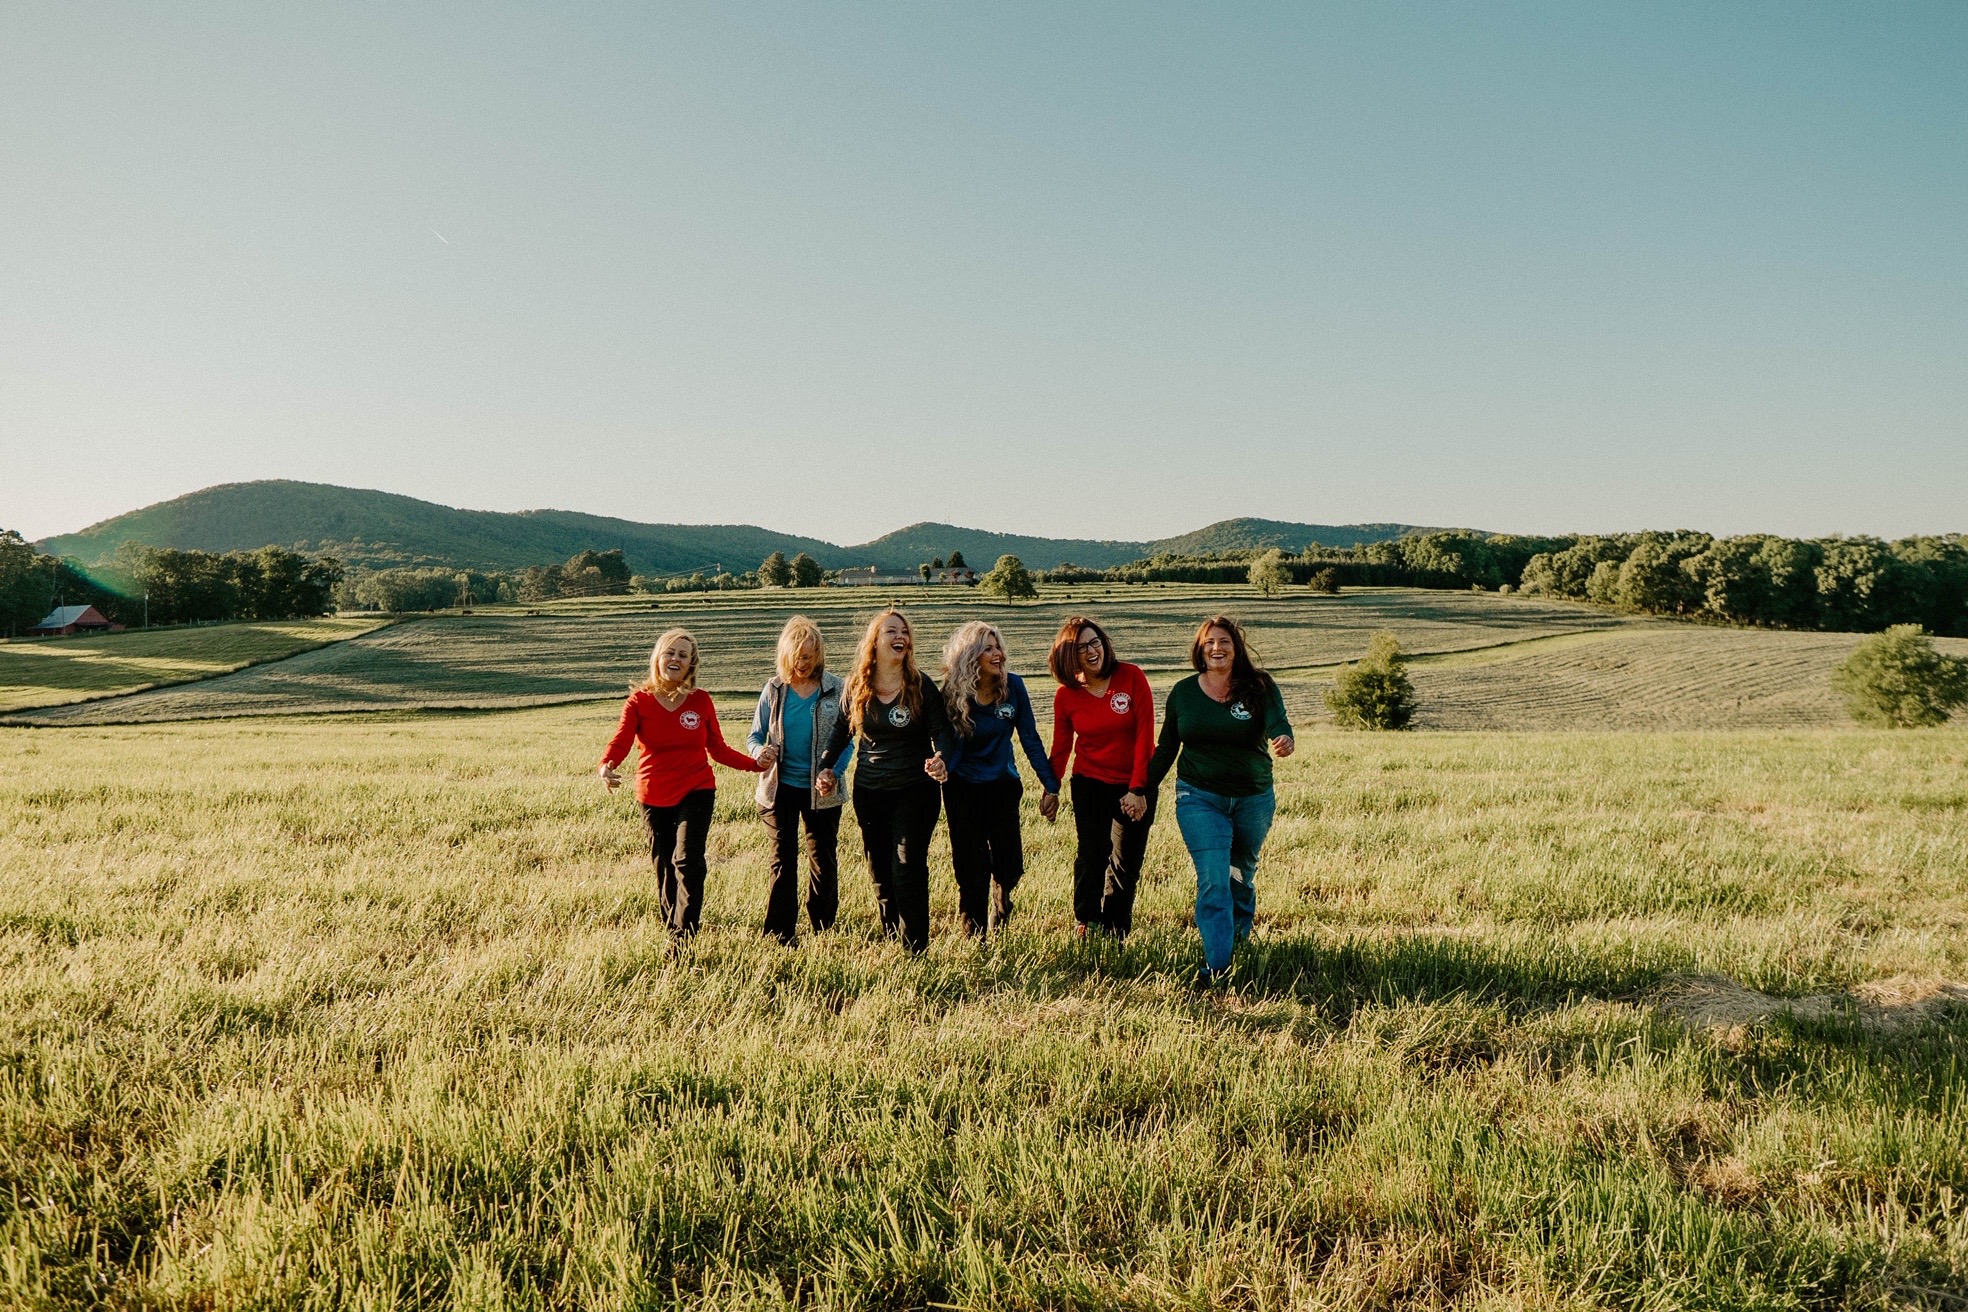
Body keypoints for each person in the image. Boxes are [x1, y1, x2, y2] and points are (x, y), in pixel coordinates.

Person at [1140, 615, 1293, 984]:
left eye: (1223, 641)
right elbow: (1166, 748)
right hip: (1198, 797)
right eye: (1209, 642)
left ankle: (1239, 938)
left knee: (1240, 874)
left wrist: (1284, 738)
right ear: (1199, 649)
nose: (1216, 648)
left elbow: (1278, 721)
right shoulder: (1183, 692)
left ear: (1235, 647)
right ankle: (1218, 966)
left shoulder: (1259, 686)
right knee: (1213, 878)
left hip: (1252, 798)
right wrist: (1141, 788)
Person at [600, 628, 765, 941]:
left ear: (691, 664)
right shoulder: (639, 701)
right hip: (653, 794)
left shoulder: (701, 701)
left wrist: (755, 764)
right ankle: (671, 924)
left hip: (696, 789)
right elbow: (621, 741)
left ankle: (682, 936)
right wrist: (606, 765)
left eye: (683, 655)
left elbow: (718, 749)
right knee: (664, 865)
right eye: (670, 653)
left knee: (688, 861)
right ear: (658, 658)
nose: (675, 659)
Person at [817, 608, 955, 953]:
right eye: (892, 631)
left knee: (907, 865)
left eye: (905, 632)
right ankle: (892, 932)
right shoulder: (857, 686)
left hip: (915, 789)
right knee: (879, 868)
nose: (901, 637)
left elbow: (944, 734)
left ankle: (915, 947)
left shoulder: (920, 685)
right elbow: (839, 735)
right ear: (874, 642)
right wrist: (826, 768)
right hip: (870, 790)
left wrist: (940, 760)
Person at [939, 621, 1060, 936]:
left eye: (998, 647)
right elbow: (947, 744)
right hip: (962, 787)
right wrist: (941, 768)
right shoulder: (952, 691)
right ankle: (974, 933)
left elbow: (1030, 739)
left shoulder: (1014, 686)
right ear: (971, 656)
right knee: (970, 866)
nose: (998, 654)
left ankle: (1002, 893)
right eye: (988, 649)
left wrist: (1050, 784)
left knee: (1010, 865)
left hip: (1002, 785)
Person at [1047, 616, 1157, 938]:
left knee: (1125, 863)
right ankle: (1088, 920)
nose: (1092, 650)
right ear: (1070, 656)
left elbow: (1144, 736)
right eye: (1081, 647)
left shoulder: (1131, 676)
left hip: (1133, 783)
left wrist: (1138, 789)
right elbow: (1061, 748)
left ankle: (1115, 931)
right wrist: (1050, 789)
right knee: (1092, 855)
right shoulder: (1066, 696)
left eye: (1095, 642)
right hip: (1090, 781)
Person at [746, 616, 853, 945]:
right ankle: (780, 933)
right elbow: (754, 736)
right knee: (783, 858)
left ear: (819, 654)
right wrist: (759, 753)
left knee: (822, 856)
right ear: (785, 655)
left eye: (809, 656)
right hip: (779, 788)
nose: (802, 663)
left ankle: (822, 928)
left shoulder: (837, 689)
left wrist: (832, 772)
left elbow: (848, 740)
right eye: (797, 656)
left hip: (822, 789)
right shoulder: (774, 689)